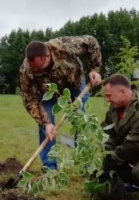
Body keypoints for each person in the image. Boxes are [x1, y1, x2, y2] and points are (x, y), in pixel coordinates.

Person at [19, 35, 102, 170]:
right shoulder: (26, 69)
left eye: (39, 67)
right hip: (48, 93)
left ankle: (84, 163)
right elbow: (29, 99)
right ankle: (50, 167)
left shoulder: (63, 46)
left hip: (74, 85)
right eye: (33, 68)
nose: (36, 70)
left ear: (48, 55)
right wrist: (45, 123)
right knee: (46, 127)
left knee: (80, 121)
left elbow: (91, 42)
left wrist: (94, 69)